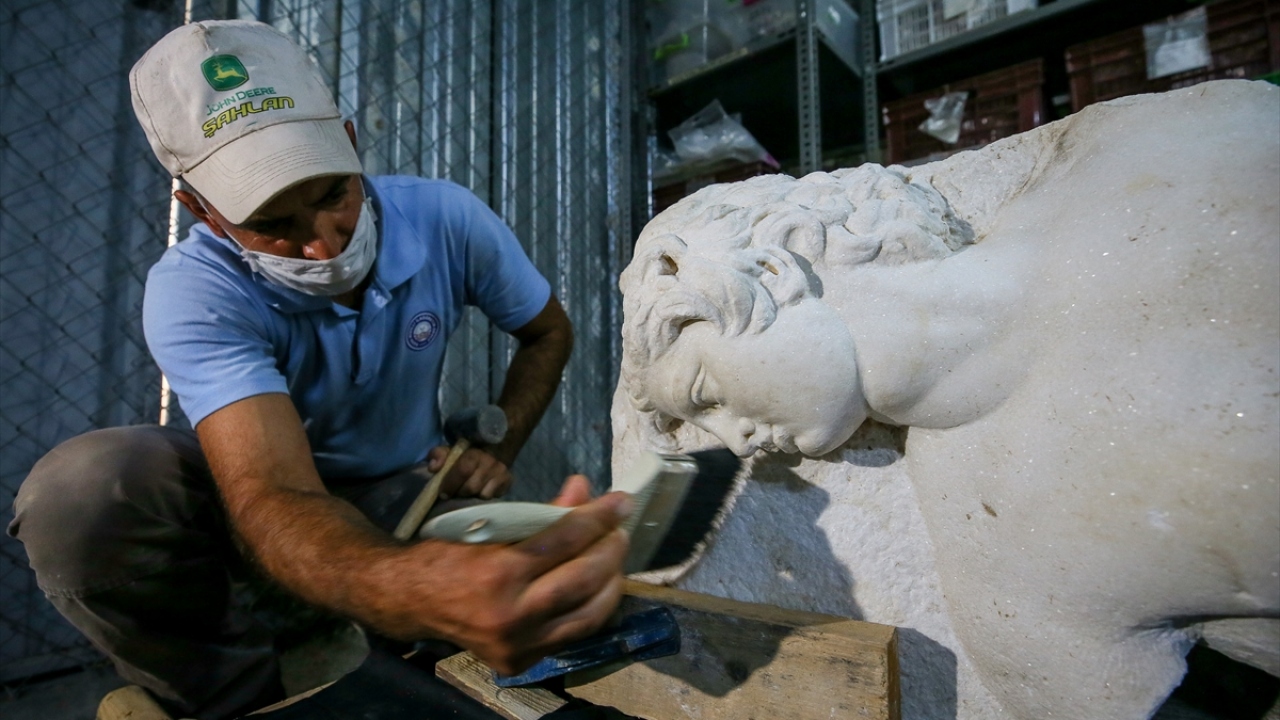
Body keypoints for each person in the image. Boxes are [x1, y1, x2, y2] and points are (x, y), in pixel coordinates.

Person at [7, 19, 630, 720]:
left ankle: (367, 638)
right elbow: (272, 494)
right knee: (86, 492)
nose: (319, 245)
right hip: (256, 504)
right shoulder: (194, 289)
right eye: (272, 221)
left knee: (513, 592)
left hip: (400, 492)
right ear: (200, 211)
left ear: (352, 142)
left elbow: (547, 332)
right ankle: (238, 698)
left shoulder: (446, 217)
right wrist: (405, 586)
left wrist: (500, 445)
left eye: (334, 193)